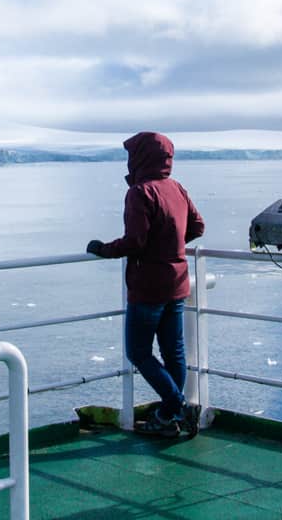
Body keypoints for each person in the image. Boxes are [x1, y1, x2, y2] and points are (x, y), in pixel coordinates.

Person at [86, 132, 205, 437]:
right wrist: (170, 245)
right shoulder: (175, 188)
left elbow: (135, 241)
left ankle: (177, 406)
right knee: (173, 353)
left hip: (149, 287)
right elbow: (198, 226)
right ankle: (169, 418)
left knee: (138, 352)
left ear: (139, 157)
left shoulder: (140, 192)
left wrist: (103, 249)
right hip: (177, 283)